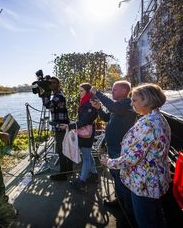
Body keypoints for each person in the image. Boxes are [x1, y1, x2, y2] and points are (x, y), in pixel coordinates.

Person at [100, 83, 171, 228]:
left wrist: (109, 162)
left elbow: (130, 159)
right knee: (156, 217)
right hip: (154, 179)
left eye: (134, 100)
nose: (131, 104)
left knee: (146, 222)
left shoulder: (148, 124)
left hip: (144, 183)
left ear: (146, 100)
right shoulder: (159, 118)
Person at [90, 81, 136, 214]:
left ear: (123, 91)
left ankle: (128, 210)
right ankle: (119, 202)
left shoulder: (126, 103)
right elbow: (106, 118)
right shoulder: (118, 107)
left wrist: (97, 92)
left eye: (114, 90)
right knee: (115, 176)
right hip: (112, 147)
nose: (112, 91)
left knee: (121, 179)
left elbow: (113, 107)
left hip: (119, 148)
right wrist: (98, 108)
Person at [60, 83, 98, 189]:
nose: (79, 93)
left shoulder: (91, 103)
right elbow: (83, 119)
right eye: (79, 90)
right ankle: (94, 175)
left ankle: (81, 182)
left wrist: (69, 126)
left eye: (81, 90)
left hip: (87, 133)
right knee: (88, 155)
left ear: (88, 92)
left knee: (86, 157)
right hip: (84, 131)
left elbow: (86, 120)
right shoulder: (85, 101)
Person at [42, 76, 73, 181]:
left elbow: (48, 104)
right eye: (50, 83)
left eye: (54, 83)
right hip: (61, 127)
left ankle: (63, 174)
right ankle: (69, 169)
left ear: (58, 84)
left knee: (62, 151)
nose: (52, 85)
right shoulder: (56, 95)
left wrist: (46, 92)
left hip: (61, 128)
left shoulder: (58, 96)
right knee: (64, 149)